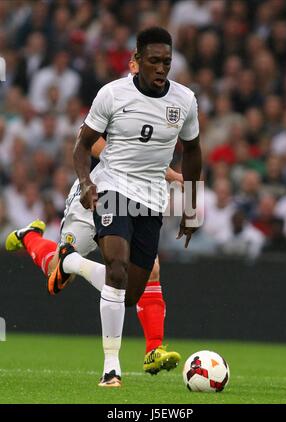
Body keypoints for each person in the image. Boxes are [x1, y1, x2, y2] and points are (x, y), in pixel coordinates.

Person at [5, 52, 184, 378]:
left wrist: (166, 171)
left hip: (125, 204)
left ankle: (153, 350)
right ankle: (31, 237)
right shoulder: (115, 99)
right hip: (93, 197)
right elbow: (92, 143)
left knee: (149, 269)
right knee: (58, 279)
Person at [68, 26, 201, 387]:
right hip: (112, 187)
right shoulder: (111, 95)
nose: (161, 68)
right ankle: (111, 367)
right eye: (154, 61)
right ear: (137, 61)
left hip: (152, 199)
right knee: (115, 267)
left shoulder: (185, 101)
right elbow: (82, 145)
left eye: (167, 62)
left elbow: (193, 152)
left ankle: (74, 262)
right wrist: (87, 183)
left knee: (129, 295)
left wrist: (191, 206)